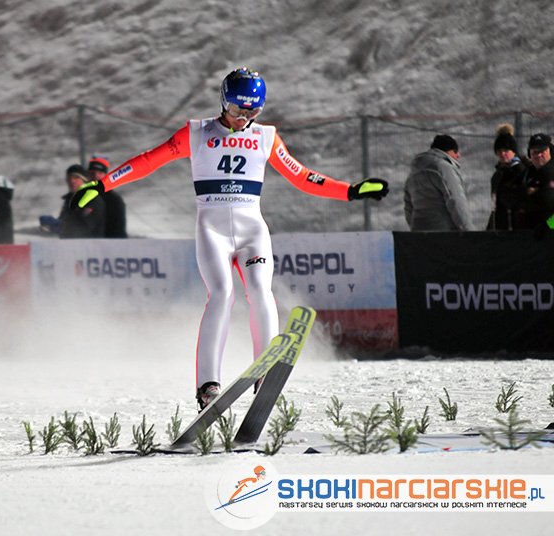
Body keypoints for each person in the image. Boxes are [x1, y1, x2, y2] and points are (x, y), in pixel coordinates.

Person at [68, 68, 388, 410]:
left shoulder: (266, 136)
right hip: (213, 230)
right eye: (237, 110)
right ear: (224, 103)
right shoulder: (196, 133)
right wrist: (102, 185)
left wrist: (351, 191)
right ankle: (208, 384)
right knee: (221, 294)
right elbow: (149, 161)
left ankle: (265, 371)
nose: (243, 119)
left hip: (253, 230)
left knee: (260, 290)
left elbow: (302, 176)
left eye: (253, 111)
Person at [404, 134, 473, 231]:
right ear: (448, 151)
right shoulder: (444, 168)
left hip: (419, 231)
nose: (458, 155)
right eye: (455, 151)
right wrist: (468, 231)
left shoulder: (414, 171)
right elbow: (456, 200)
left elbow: (408, 207)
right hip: (443, 232)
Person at [486, 124, 531, 230]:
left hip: (520, 227)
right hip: (501, 227)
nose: (503, 154)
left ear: (513, 151)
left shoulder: (523, 171)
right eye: (499, 151)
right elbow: (495, 205)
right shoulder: (497, 175)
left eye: (506, 150)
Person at [59, 164, 106, 239]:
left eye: (76, 177)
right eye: (69, 178)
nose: (72, 181)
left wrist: (60, 227)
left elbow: (85, 229)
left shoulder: (93, 199)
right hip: (70, 244)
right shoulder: (69, 200)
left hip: (91, 244)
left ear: (84, 180)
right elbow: (63, 220)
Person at [87, 156, 128, 238]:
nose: (96, 176)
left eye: (100, 173)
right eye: (92, 173)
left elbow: (119, 231)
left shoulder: (114, 200)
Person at [524, 133, 554, 234]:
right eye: (534, 152)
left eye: (542, 151)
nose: (538, 155)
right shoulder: (527, 174)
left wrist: (548, 225)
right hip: (528, 234)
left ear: (549, 150)